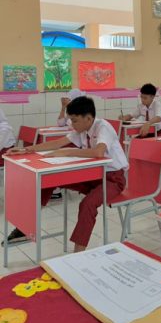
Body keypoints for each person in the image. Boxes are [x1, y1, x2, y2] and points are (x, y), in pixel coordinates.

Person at [2, 96, 127, 251]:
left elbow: (98, 152)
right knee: (48, 180)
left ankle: (78, 253)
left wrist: (67, 152)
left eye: (74, 121)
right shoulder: (82, 129)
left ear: (88, 118)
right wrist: (26, 149)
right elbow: (57, 143)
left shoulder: (103, 127)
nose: (72, 125)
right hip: (91, 176)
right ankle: (25, 228)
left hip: (113, 180)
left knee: (87, 204)